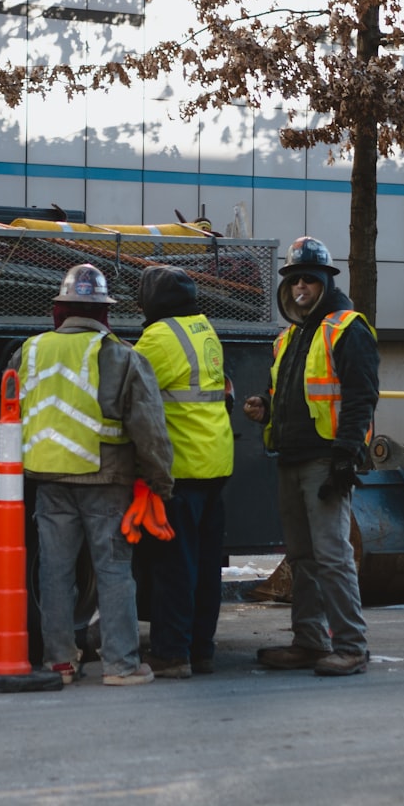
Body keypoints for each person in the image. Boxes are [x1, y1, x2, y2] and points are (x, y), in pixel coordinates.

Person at [10, 263, 174, 686]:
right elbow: (149, 428)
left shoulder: (28, 351)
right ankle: (121, 665)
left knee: (55, 573)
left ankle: (59, 663)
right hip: (106, 481)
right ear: (103, 311)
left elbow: (9, 410)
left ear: (60, 309)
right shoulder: (122, 356)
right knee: (115, 572)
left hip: (48, 480)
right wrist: (160, 481)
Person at [242, 236, 379, 676]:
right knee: (302, 558)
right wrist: (263, 407)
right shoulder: (291, 337)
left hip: (325, 461)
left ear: (324, 282)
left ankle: (352, 646)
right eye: (294, 280)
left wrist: (346, 456)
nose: (300, 287)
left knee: (332, 556)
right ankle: (310, 641)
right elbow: (284, 393)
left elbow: (362, 397)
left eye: (308, 280)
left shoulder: (347, 328)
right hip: (292, 457)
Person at [132, 265, 234, 679]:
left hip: (183, 466)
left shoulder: (158, 337)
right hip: (215, 461)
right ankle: (200, 650)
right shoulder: (202, 328)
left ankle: (171, 653)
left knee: (174, 565)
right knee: (206, 567)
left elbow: (131, 378)